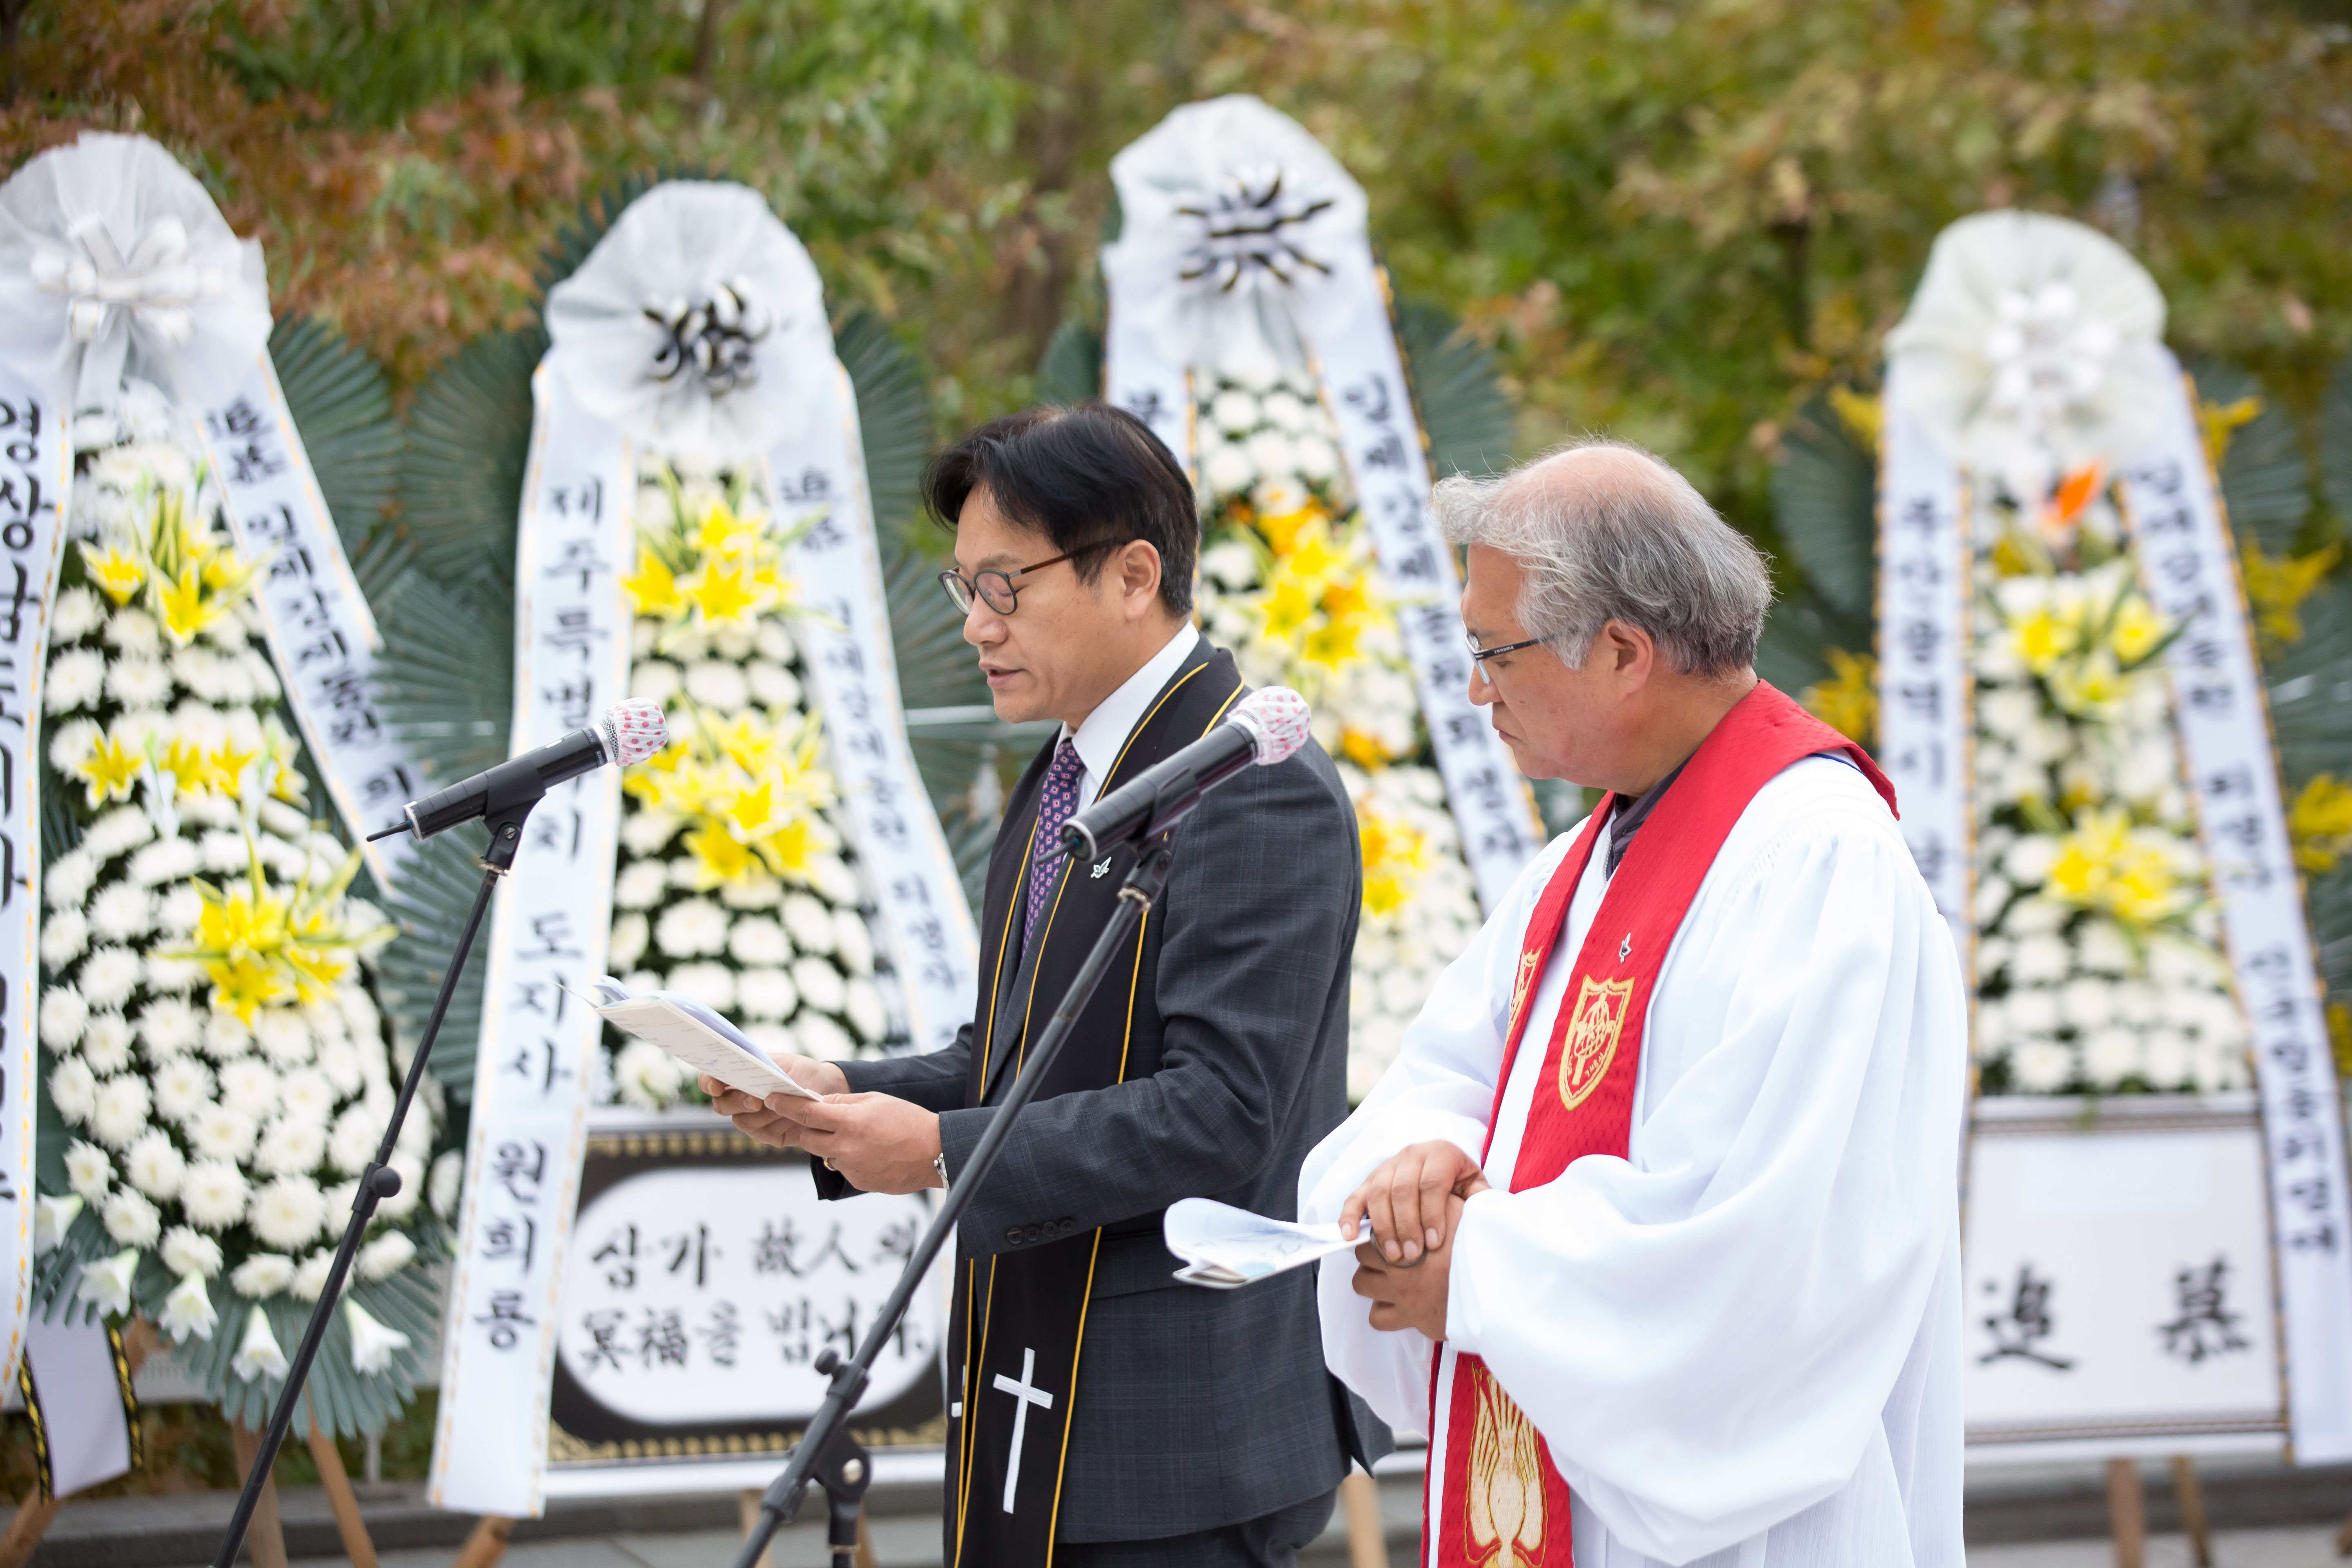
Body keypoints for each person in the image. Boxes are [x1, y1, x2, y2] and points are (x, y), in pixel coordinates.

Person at [705, 401, 1384, 1566]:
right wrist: (835, 1092)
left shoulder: (1250, 783)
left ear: (1132, 575)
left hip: (1173, 1433)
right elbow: (1021, 1053)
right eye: (961, 588)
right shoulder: (1075, 766)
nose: (976, 626)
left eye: (1004, 589)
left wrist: (935, 1153)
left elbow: (1222, 1112)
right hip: (1037, 1388)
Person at [1301, 440, 1965, 1567]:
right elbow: (1459, 1079)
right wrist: (1422, 1161)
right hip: (1569, 1467)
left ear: (1621, 651)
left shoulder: (1817, 858)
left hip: (1741, 1523)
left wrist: (1477, 1267)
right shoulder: (1585, 859)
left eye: (1493, 650)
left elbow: (1761, 1231)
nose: (1476, 688)